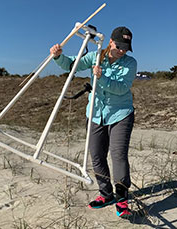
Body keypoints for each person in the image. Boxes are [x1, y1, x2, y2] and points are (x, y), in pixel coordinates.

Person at [50, 26, 137, 218]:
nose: (122, 51)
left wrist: (102, 78)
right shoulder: (96, 55)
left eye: (126, 47)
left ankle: (122, 199)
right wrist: (58, 56)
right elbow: (72, 65)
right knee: (97, 155)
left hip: (120, 114)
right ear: (111, 42)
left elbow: (122, 88)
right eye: (119, 46)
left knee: (118, 155)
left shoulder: (130, 63)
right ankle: (106, 194)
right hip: (96, 113)